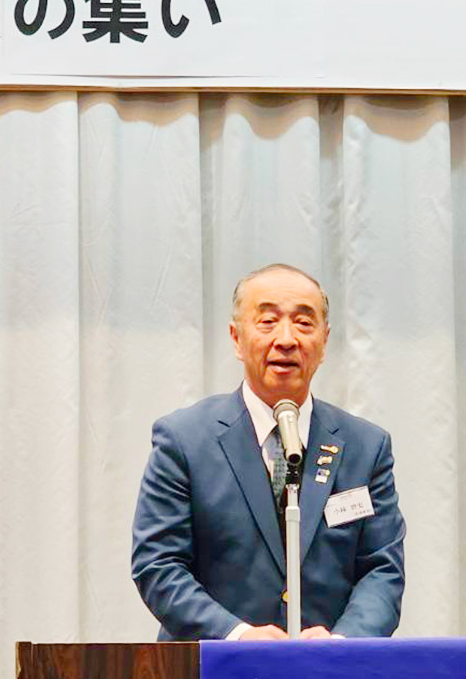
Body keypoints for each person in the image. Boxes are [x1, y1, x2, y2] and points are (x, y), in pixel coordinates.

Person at [131, 264, 405, 640]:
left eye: (304, 323)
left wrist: (342, 645)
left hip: (328, 669)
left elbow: (382, 570)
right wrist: (237, 635)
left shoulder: (366, 447)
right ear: (236, 338)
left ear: (325, 341)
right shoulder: (184, 440)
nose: (286, 339)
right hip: (215, 668)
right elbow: (158, 564)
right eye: (268, 322)